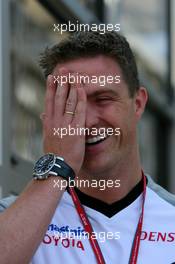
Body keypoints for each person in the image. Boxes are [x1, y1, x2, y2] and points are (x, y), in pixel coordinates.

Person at [0, 30, 175, 264]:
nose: (87, 121)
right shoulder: (13, 217)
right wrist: (56, 166)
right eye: (71, 104)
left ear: (138, 104)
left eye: (103, 99)